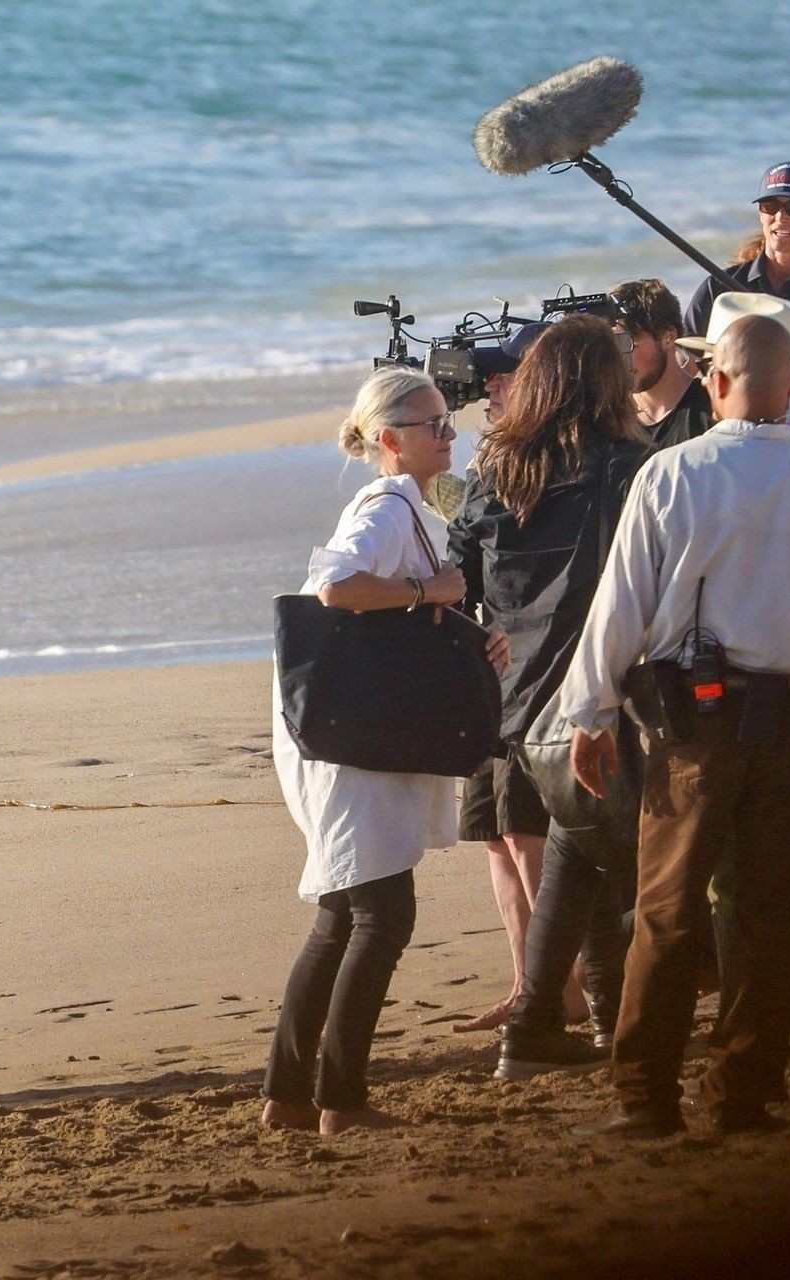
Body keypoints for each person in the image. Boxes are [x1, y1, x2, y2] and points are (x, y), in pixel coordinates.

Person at [559, 305, 790, 1137]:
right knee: (770, 914)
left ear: (716, 381)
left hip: (699, 727)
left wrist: (589, 711)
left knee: (667, 910)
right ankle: (743, 1092)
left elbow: (620, 603)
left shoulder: (674, 472)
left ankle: (646, 1097)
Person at [262, 366, 510, 1136]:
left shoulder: (408, 503)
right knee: (380, 913)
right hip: (352, 749)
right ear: (389, 439)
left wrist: (466, 632)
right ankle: (340, 1100)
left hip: (349, 738)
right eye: (433, 425)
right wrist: (431, 593)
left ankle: (289, 1096)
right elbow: (336, 587)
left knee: (343, 914)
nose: (450, 434)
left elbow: (399, 618)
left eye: (448, 420)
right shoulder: (385, 505)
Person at [445, 316, 652, 1080]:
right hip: (593, 701)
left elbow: (457, 581)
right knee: (607, 866)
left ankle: (555, 1025)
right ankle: (595, 1019)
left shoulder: (497, 467)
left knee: (576, 858)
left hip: (511, 707)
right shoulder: (627, 467)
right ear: (605, 383)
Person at [450, 320, 580, 1034]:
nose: (490, 388)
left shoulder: (573, 461)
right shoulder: (495, 460)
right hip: (493, 675)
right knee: (495, 836)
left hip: (536, 677)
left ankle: (561, 991)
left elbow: (468, 562)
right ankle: (528, 982)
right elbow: (465, 564)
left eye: (505, 376)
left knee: (526, 834)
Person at [680, 161, 790, 342]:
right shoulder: (718, 288)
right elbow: (687, 353)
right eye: (770, 206)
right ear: (760, 212)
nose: (780, 217)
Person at [610, 278, 712, 450]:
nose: (620, 357)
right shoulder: (608, 418)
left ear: (668, 337)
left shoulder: (711, 411)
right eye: (613, 344)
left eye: (628, 343)